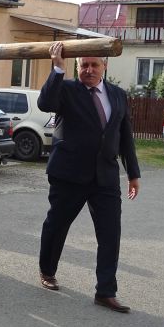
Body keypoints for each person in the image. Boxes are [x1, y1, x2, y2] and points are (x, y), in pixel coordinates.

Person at [37, 41, 140, 313]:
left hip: (105, 176)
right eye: (84, 65)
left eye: (95, 65)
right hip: (69, 174)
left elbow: (125, 136)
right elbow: (45, 103)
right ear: (77, 66)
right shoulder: (66, 90)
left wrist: (133, 173)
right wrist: (57, 69)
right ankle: (47, 270)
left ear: (105, 66)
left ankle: (105, 291)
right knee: (57, 225)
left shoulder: (118, 95)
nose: (89, 70)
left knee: (110, 234)